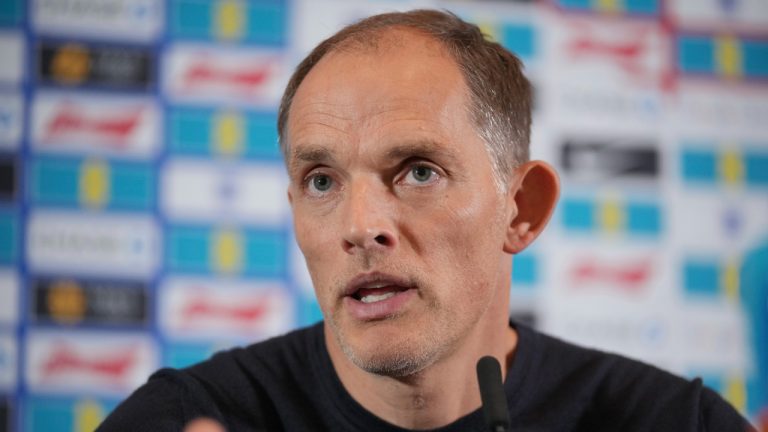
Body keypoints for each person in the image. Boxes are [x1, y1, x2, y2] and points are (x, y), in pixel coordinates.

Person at [99, 9, 754, 432]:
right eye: (321, 181)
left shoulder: (674, 423)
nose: (360, 225)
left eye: (417, 171)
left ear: (520, 211)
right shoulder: (184, 419)